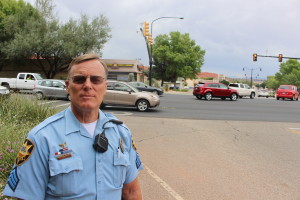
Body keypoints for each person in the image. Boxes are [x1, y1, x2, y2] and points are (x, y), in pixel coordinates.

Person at [3, 54, 143, 199]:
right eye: (79, 79)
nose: (88, 85)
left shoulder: (121, 133)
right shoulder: (42, 138)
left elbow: (131, 191)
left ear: (105, 87)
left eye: (96, 80)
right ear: (68, 87)